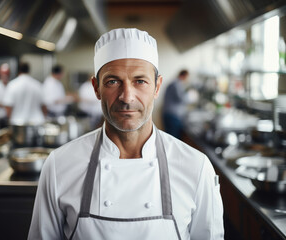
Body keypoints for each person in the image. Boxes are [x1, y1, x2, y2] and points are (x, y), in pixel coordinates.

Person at [28, 28, 224, 240]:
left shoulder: (196, 167)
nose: (126, 97)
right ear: (96, 88)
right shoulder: (59, 166)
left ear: (157, 86)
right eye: (113, 81)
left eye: (140, 81)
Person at [162, 70, 190, 139]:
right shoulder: (177, 84)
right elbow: (181, 98)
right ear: (184, 76)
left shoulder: (173, 83)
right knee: (173, 139)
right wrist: (191, 96)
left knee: (169, 137)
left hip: (169, 114)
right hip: (173, 115)